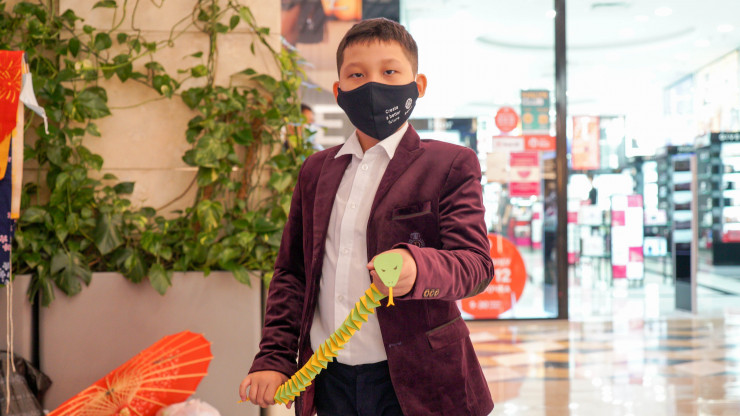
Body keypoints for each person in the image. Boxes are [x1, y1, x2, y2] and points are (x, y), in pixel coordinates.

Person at [239, 18, 495, 416]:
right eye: (357, 75)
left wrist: (418, 266)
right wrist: (274, 357)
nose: (373, 85)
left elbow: (476, 266)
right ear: (339, 91)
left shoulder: (450, 164)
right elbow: (292, 273)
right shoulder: (315, 171)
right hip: (330, 382)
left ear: (418, 85)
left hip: (422, 383)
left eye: (390, 72)